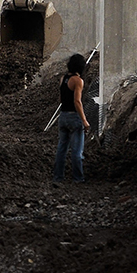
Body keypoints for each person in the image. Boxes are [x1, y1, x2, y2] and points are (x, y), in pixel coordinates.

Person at [53, 53, 90, 183]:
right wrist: (84, 121)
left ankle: (58, 177)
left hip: (62, 116)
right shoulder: (78, 81)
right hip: (74, 118)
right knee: (76, 151)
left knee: (61, 149)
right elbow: (77, 102)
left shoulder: (63, 78)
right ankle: (78, 178)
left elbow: (61, 98)